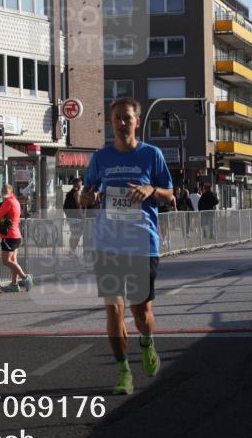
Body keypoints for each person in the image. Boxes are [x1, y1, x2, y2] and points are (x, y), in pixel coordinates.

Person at [81, 97, 173, 395]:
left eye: (128, 118)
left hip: (142, 243)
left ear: (137, 121)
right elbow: (87, 191)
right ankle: (123, 372)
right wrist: (87, 198)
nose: (122, 123)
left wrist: (151, 190)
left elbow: (171, 195)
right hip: (107, 244)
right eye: (117, 118)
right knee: (113, 309)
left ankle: (146, 342)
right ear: (111, 123)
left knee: (140, 311)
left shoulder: (152, 155)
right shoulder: (100, 158)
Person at [0, 184, 33, 292]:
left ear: (11, 191)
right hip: (16, 235)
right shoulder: (15, 201)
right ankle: (14, 284)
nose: (4, 191)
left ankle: (25, 277)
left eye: (6, 189)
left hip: (10, 236)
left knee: (6, 261)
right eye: (3, 189)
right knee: (13, 260)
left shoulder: (8, 201)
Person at [63, 178, 85, 254]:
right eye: (81, 184)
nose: (82, 186)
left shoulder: (69, 193)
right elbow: (78, 205)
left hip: (70, 217)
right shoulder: (77, 193)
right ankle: (72, 251)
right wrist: (82, 215)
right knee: (77, 234)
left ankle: (71, 250)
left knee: (73, 233)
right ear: (77, 184)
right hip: (77, 217)